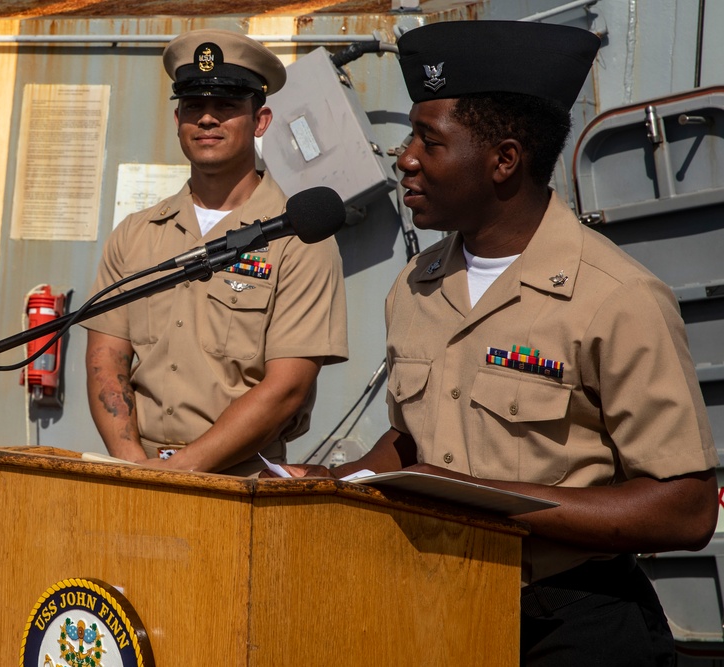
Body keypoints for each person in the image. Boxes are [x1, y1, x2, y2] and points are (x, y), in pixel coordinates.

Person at [268, 20, 719, 666]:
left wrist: (492, 504)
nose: (406, 158)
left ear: (504, 159)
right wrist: (333, 481)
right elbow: (414, 437)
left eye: (430, 140)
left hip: (572, 620)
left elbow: (686, 507)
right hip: (443, 603)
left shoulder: (616, 296)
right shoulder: (415, 287)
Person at [82, 29, 349, 476]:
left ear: (260, 121)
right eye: (193, 106)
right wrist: (133, 465)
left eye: (226, 106)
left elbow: (288, 388)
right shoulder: (136, 234)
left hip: (241, 482)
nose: (207, 119)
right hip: (138, 471)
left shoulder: (297, 238)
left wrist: (184, 469)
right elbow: (106, 358)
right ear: (177, 120)